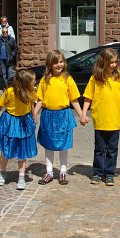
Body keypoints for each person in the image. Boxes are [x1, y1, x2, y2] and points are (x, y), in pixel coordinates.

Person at [81, 48, 120, 186]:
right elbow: (88, 97)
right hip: (100, 119)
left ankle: (109, 173)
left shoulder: (119, 77)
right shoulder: (95, 78)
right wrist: (83, 113)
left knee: (112, 149)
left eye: (115, 62)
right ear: (103, 62)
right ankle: (97, 173)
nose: (113, 65)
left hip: (115, 119)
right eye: (111, 62)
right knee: (99, 149)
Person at [34, 50, 84, 185]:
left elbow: (74, 99)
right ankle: (49, 172)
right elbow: (40, 100)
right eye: (55, 62)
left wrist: (81, 114)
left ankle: (63, 171)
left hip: (63, 115)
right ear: (50, 64)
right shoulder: (45, 80)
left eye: (61, 62)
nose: (59, 65)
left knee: (63, 145)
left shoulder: (68, 79)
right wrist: (34, 114)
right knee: (48, 145)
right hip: (48, 115)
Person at [0, 69, 38, 190]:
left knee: (22, 151)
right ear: (25, 83)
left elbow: (31, 104)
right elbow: (0, 105)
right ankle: (2, 172)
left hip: (24, 121)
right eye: (33, 81)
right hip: (10, 121)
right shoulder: (9, 92)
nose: (35, 83)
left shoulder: (31, 91)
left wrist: (34, 115)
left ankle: (21, 177)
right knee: (5, 149)